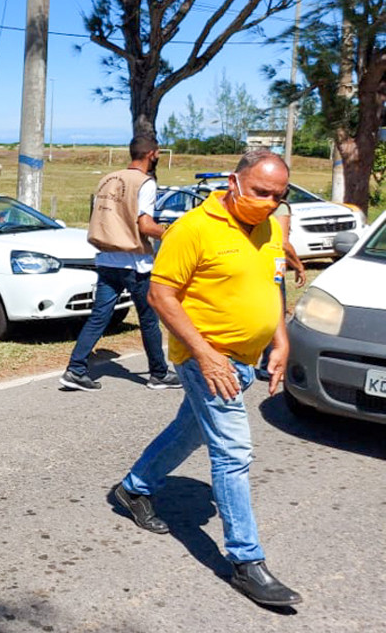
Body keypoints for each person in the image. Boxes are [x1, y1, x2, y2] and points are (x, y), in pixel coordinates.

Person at [110, 149, 302, 607]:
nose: (269, 203)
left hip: (244, 357)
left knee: (189, 431)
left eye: (278, 195)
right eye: (260, 192)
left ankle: (133, 488)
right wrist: (206, 355)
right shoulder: (193, 228)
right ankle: (246, 561)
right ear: (235, 182)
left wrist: (281, 340)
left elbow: (269, 285)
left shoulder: (271, 229)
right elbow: (160, 295)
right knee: (232, 451)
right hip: (204, 357)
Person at [61, 135, 180, 391]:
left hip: (106, 259)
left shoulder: (107, 179)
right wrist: (173, 232)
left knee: (99, 317)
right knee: (148, 319)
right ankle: (158, 373)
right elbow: (145, 225)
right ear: (153, 154)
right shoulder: (145, 183)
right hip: (135, 263)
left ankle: (76, 368)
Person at [256, 200, 306, 379]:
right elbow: (283, 243)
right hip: (272, 264)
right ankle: (269, 365)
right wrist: (299, 266)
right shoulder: (279, 206)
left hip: (253, 262)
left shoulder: (249, 203)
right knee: (275, 312)